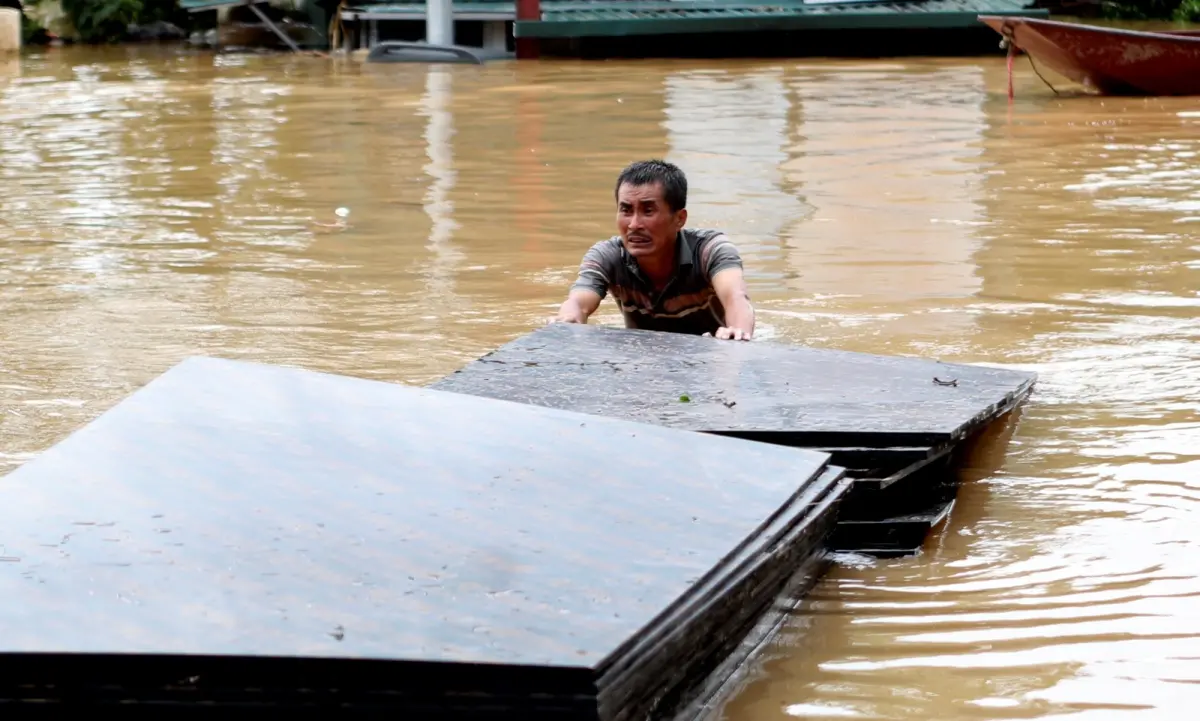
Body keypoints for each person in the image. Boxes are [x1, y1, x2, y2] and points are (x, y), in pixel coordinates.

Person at [553, 160, 755, 341]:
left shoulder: (710, 250)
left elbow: (735, 297)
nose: (634, 224)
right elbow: (578, 303)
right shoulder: (608, 256)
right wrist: (567, 322)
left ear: (679, 219)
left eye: (648, 211)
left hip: (710, 356)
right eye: (626, 210)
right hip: (641, 360)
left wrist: (737, 332)